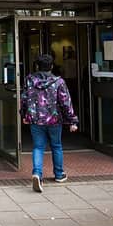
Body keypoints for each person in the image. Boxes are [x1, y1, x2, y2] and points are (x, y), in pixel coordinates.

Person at [21, 54, 78, 193]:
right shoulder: (59, 82)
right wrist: (72, 120)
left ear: (37, 66)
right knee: (56, 146)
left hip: (36, 119)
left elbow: (24, 99)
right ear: (51, 66)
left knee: (38, 147)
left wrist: (23, 114)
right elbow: (66, 102)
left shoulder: (29, 80)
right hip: (54, 120)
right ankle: (59, 174)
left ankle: (37, 174)